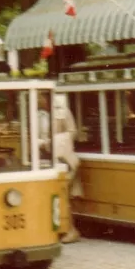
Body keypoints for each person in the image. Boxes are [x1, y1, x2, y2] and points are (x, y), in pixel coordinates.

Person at [51, 94, 84, 244]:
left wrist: (57, 143)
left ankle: (71, 229)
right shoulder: (36, 111)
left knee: (63, 194)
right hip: (47, 158)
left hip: (63, 159)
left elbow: (72, 131)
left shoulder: (62, 110)